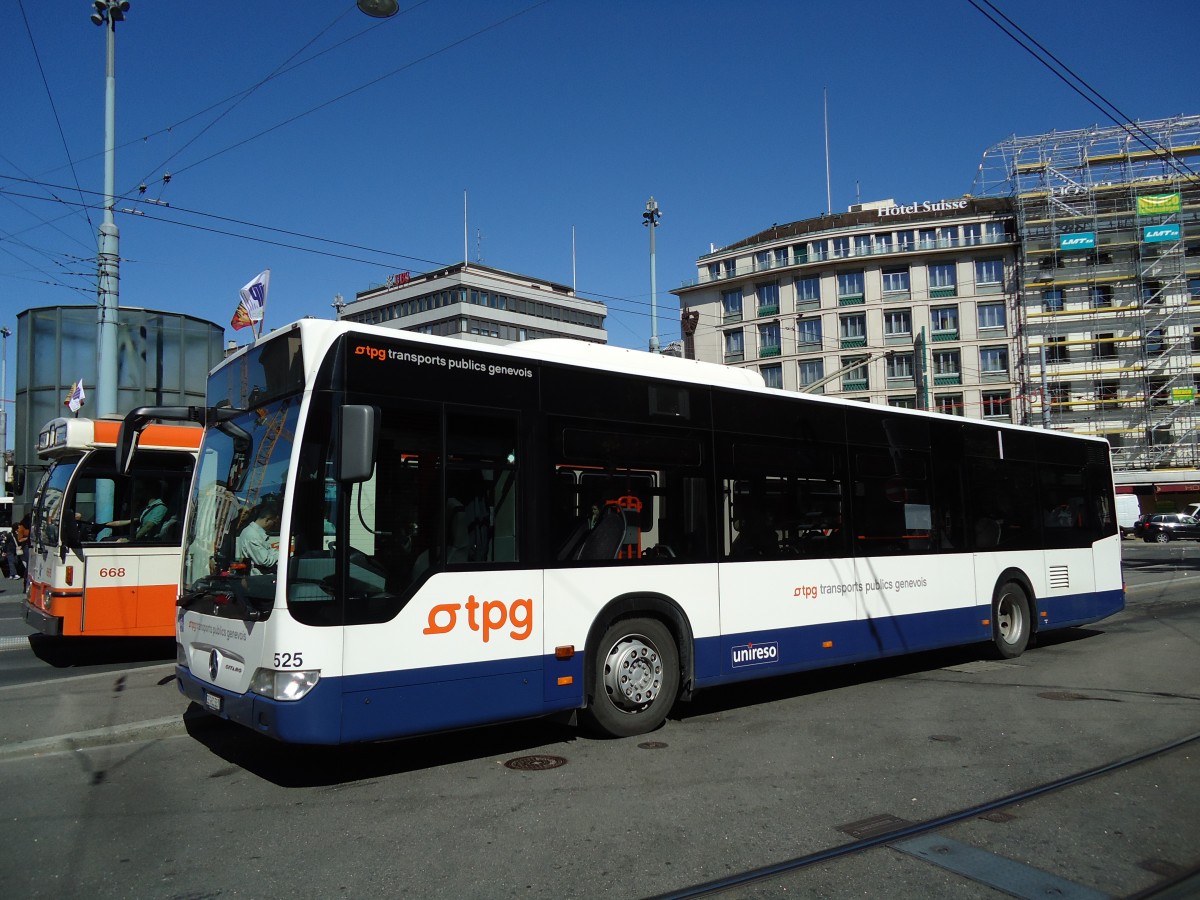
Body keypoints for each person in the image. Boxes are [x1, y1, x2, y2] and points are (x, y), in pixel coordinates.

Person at [235, 497, 282, 575]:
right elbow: (266, 561)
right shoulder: (252, 535)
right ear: (267, 520)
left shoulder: (255, 533)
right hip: (258, 579)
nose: (274, 525)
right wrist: (280, 554)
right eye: (274, 522)